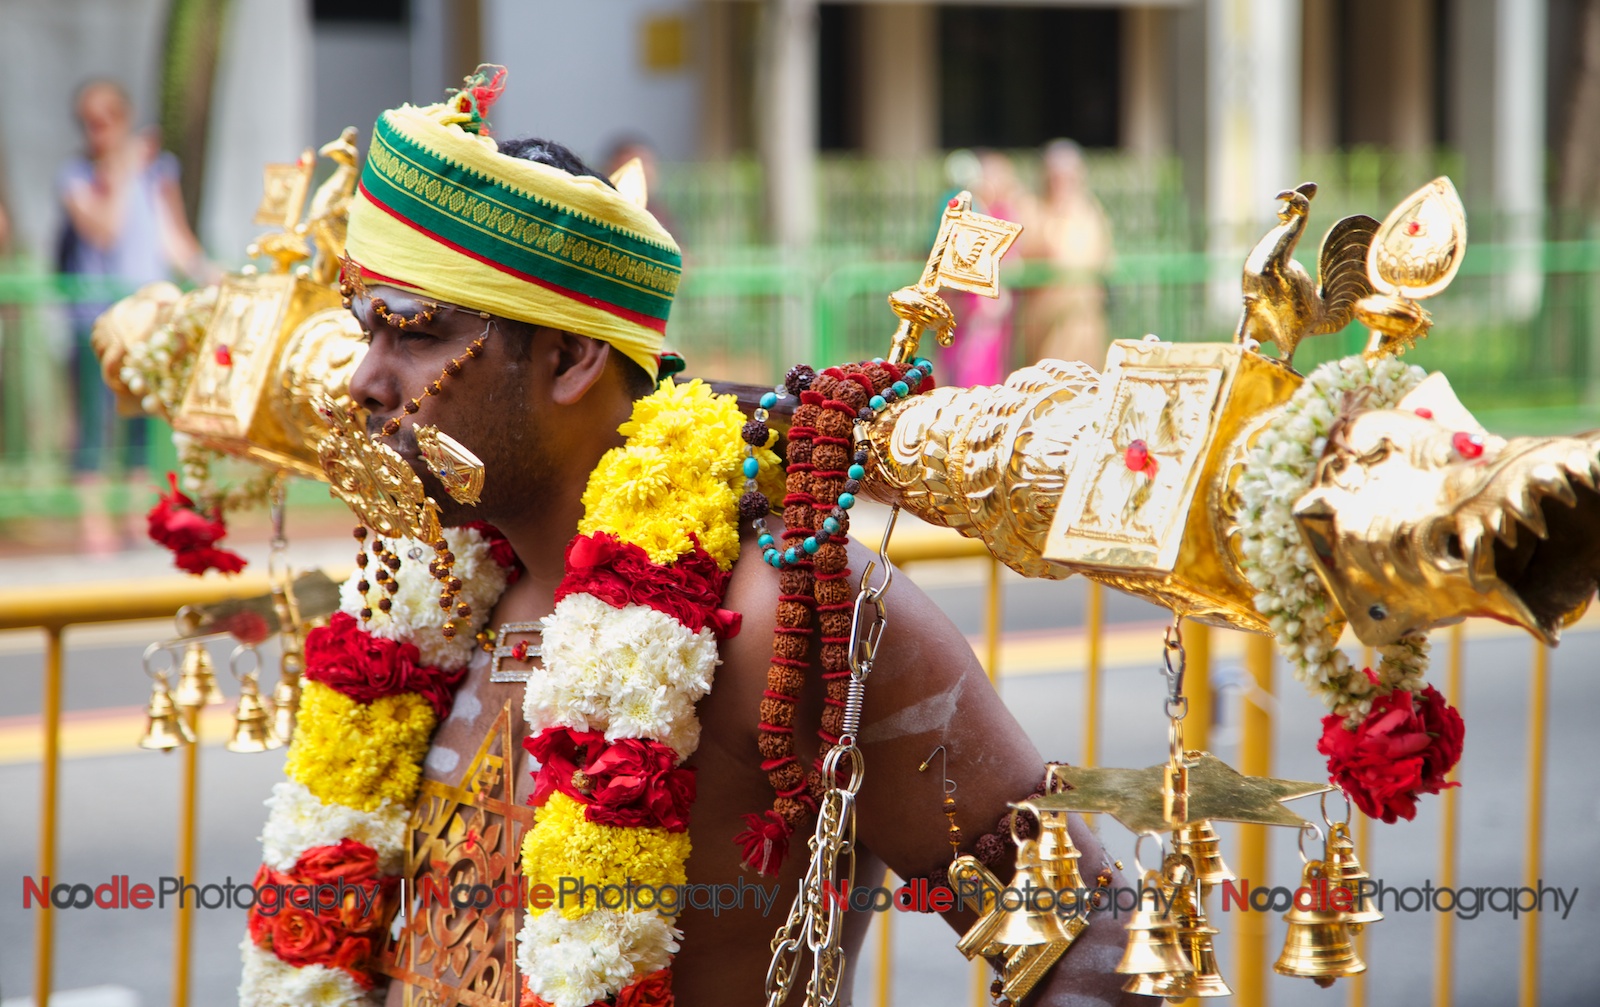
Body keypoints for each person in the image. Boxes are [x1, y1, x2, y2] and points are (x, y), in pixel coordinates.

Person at [238, 76, 1135, 1007]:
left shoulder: (786, 614)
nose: (364, 383)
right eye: (365, 332)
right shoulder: (436, 601)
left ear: (572, 357)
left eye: (415, 334)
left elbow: (1095, 949)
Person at [57, 79, 211, 551]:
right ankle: (94, 529)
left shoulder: (157, 170)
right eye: (89, 122)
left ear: (123, 119)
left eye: (106, 119)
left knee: (144, 420)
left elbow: (175, 238)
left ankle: (139, 524)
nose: (97, 130)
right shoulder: (77, 177)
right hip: (96, 320)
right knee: (94, 425)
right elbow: (103, 231)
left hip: (148, 319)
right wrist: (122, 170)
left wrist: (211, 275)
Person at [1024, 139, 1113, 368]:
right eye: (1056, 176)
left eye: (1067, 176)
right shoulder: (1036, 210)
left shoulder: (1090, 212)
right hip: (1046, 321)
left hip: (1083, 318)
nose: (1061, 183)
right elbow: (1030, 254)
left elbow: (1101, 257)